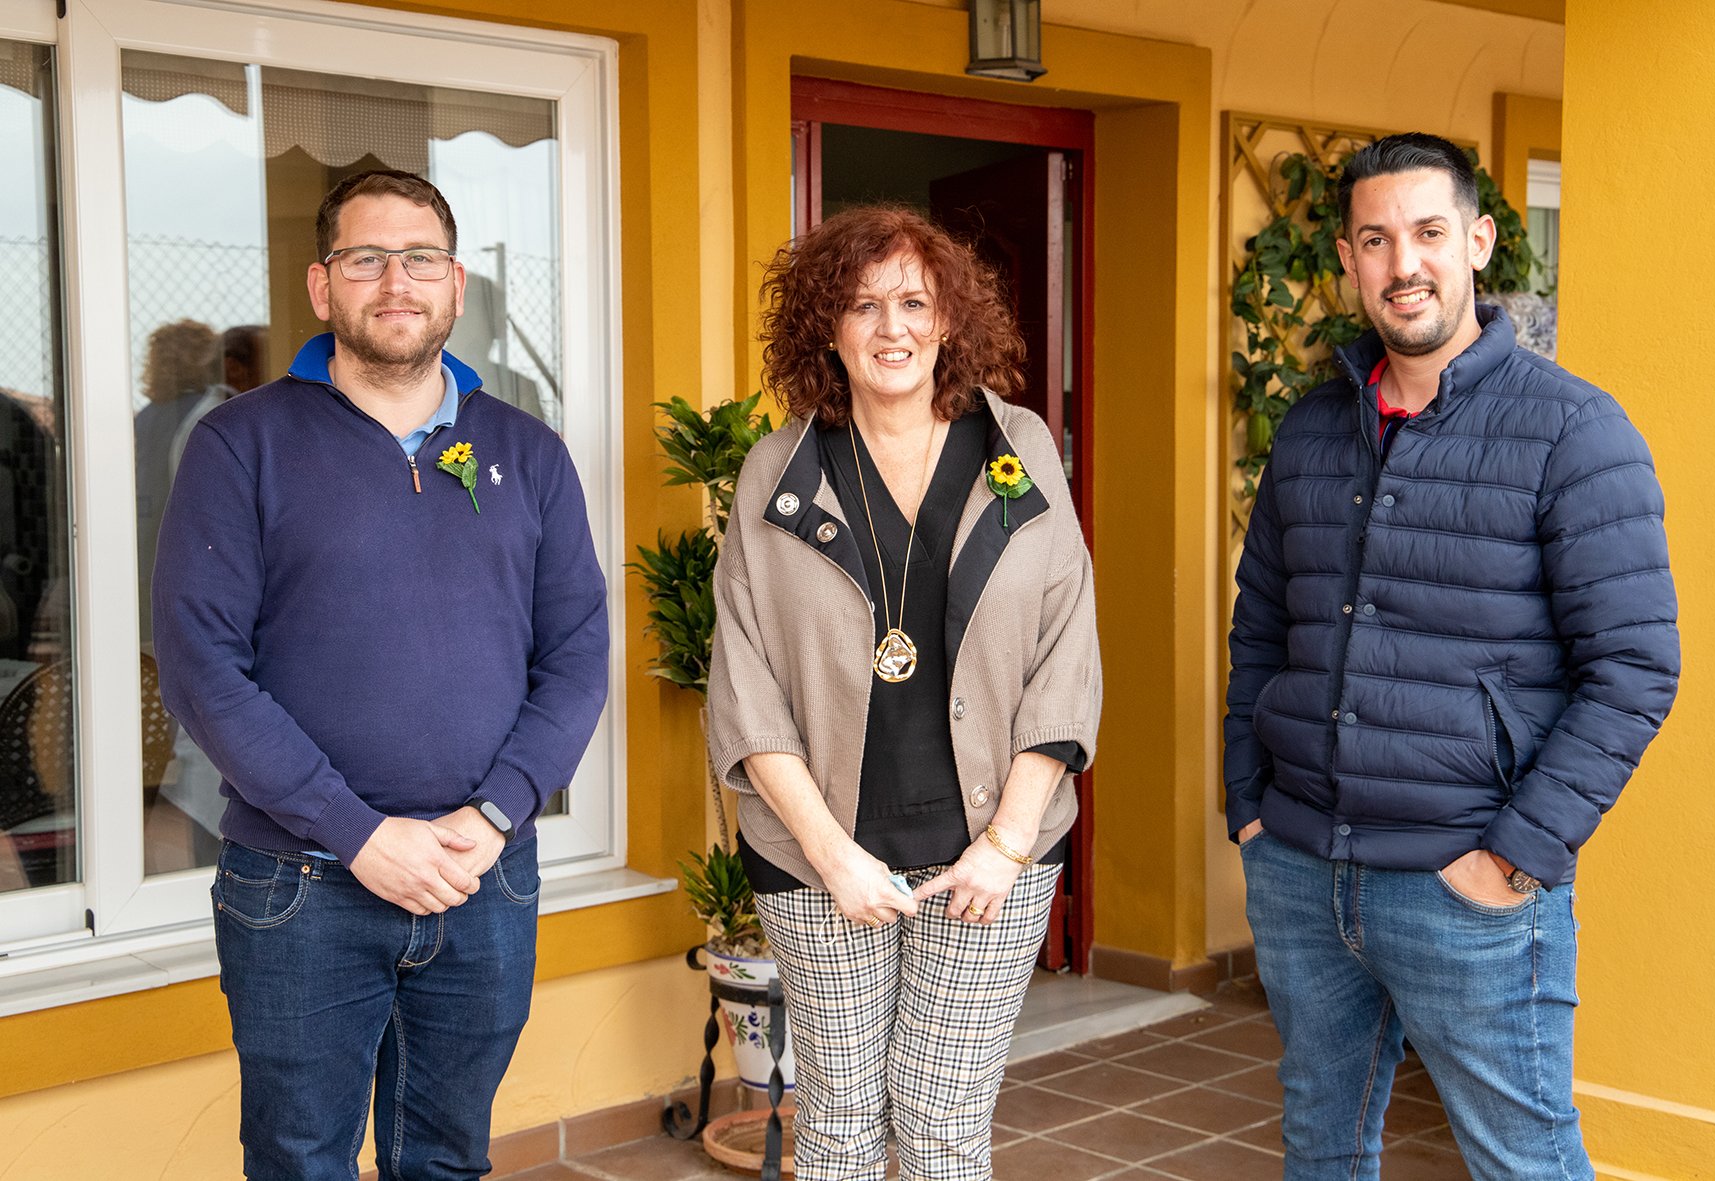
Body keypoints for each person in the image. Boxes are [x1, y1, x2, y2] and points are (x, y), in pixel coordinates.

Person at [1224, 132, 1680, 1181]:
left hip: (1464, 879)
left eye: (1428, 232)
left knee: (1523, 1161)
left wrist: (1514, 854)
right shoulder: (1311, 430)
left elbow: (1632, 671)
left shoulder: (1572, 429)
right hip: (1299, 868)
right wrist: (1250, 803)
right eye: (1376, 239)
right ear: (1348, 258)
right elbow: (1261, 630)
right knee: (1319, 1149)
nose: (1404, 264)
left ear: (1476, 242)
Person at [153, 170, 609, 1180]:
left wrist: (495, 811)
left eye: (420, 258)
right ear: (322, 285)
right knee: (299, 1161)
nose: (395, 281)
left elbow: (577, 654)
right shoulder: (241, 444)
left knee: (445, 1158)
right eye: (365, 258)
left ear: (455, 284)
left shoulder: (528, 451)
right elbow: (200, 667)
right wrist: (355, 831)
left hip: (483, 875)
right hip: (301, 883)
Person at [706, 205, 1101, 1181]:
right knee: (838, 1119)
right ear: (827, 330)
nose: (892, 328)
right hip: (818, 857)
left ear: (947, 320)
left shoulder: (1018, 450)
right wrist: (829, 853)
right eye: (863, 305)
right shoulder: (778, 470)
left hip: (990, 856)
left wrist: (1007, 844)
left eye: (914, 303)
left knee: (942, 1120)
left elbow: (1065, 655)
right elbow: (746, 684)